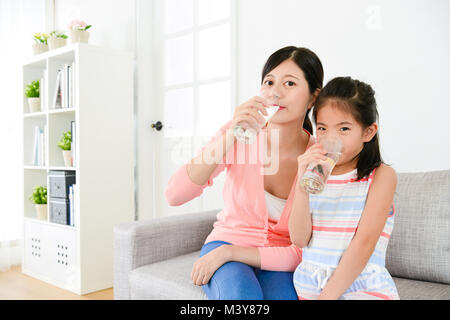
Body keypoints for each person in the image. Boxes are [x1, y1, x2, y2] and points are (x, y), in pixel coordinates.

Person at [164, 46, 323, 299]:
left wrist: (232, 253)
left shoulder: (320, 159)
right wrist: (230, 135)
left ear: (313, 98)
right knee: (241, 297)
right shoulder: (240, 134)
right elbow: (174, 195)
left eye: (290, 83)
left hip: (279, 257)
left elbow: (307, 246)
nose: (275, 92)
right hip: (227, 241)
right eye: (269, 82)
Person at [291, 76, 400, 300]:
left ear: (368, 132)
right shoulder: (316, 173)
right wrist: (301, 187)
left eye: (343, 129)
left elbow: (365, 243)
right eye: (322, 128)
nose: (331, 138)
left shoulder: (381, 176)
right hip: (310, 287)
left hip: (361, 286)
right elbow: (299, 239)